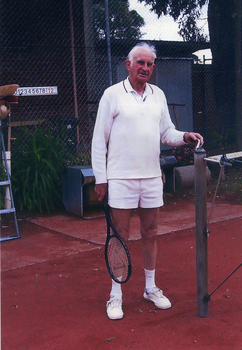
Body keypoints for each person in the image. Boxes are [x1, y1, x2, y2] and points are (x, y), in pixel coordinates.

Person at [91, 42, 203, 320]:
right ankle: (115, 295)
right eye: (140, 62)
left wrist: (184, 136)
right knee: (120, 236)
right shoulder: (112, 95)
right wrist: (101, 179)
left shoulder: (158, 95)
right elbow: (98, 141)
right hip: (120, 179)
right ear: (128, 65)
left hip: (152, 177)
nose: (145, 67)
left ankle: (150, 288)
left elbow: (167, 132)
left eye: (150, 63)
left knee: (151, 232)